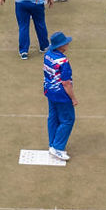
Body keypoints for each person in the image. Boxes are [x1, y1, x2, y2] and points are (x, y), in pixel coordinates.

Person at [43, 31, 76, 161]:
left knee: (53, 117)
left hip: (49, 91)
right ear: (61, 46)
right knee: (68, 120)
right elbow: (66, 83)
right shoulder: (63, 61)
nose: (67, 44)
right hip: (61, 95)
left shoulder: (48, 55)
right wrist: (73, 98)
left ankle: (52, 144)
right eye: (65, 43)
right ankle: (57, 148)